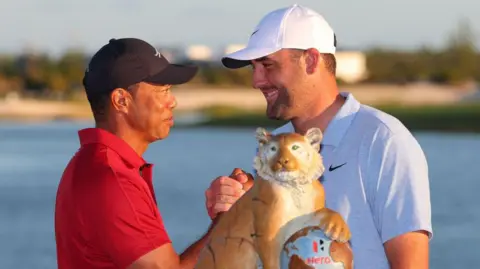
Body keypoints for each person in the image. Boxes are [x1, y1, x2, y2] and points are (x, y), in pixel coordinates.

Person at [205, 4, 432, 269]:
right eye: (253, 67)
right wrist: (232, 213)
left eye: (267, 65)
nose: (257, 80)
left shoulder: (384, 140)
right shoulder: (273, 146)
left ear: (311, 60)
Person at [54, 38, 215, 269]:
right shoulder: (112, 178)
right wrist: (230, 218)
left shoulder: (90, 163)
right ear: (121, 100)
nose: (173, 101)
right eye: (164, 90)